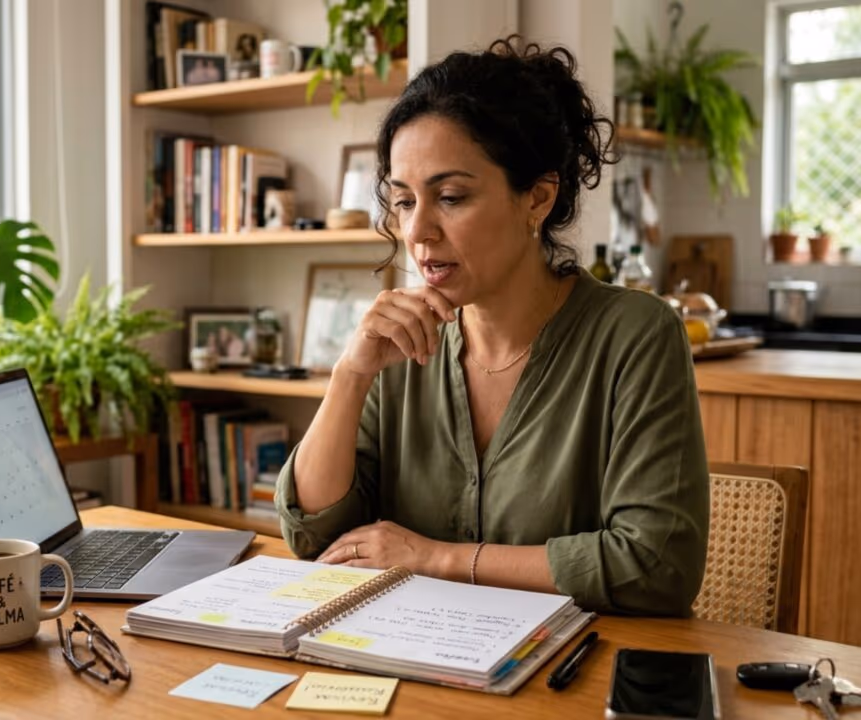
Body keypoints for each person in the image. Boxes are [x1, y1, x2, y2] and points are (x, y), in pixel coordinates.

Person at [273, 37, 709, 616]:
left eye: (451, 197)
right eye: (404, 202)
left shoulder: (636, 335)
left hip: (582, 665)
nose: (417, 231)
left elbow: (657, 564)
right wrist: (350, 375)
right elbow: (314, 535)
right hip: (413, 655)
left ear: (538, 199)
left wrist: (437, 558)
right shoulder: (399, 346)